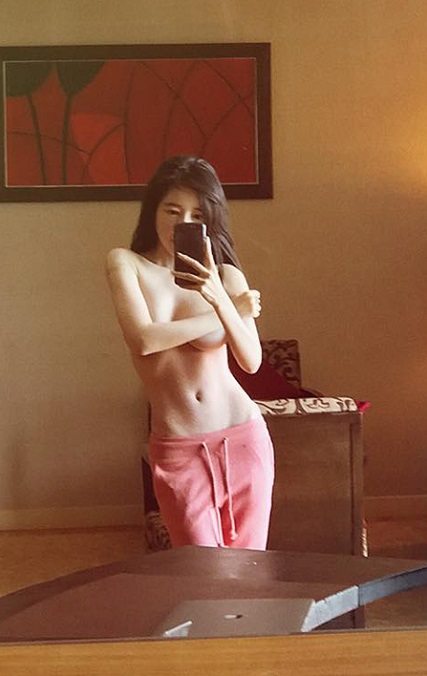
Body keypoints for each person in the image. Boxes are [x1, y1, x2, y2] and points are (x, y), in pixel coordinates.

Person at [106, 155, 274, 549]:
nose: (182, 222)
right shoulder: (126, 264)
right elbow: (143, 340)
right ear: (153, 210)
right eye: (172, 210)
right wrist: (227, 311)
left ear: (210, 220)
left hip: (244, 436)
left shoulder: (227, 277)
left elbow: (251, 361)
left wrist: (219, 297)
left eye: (196, 214)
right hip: (179, 446)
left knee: (250, 570)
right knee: (199, 570)